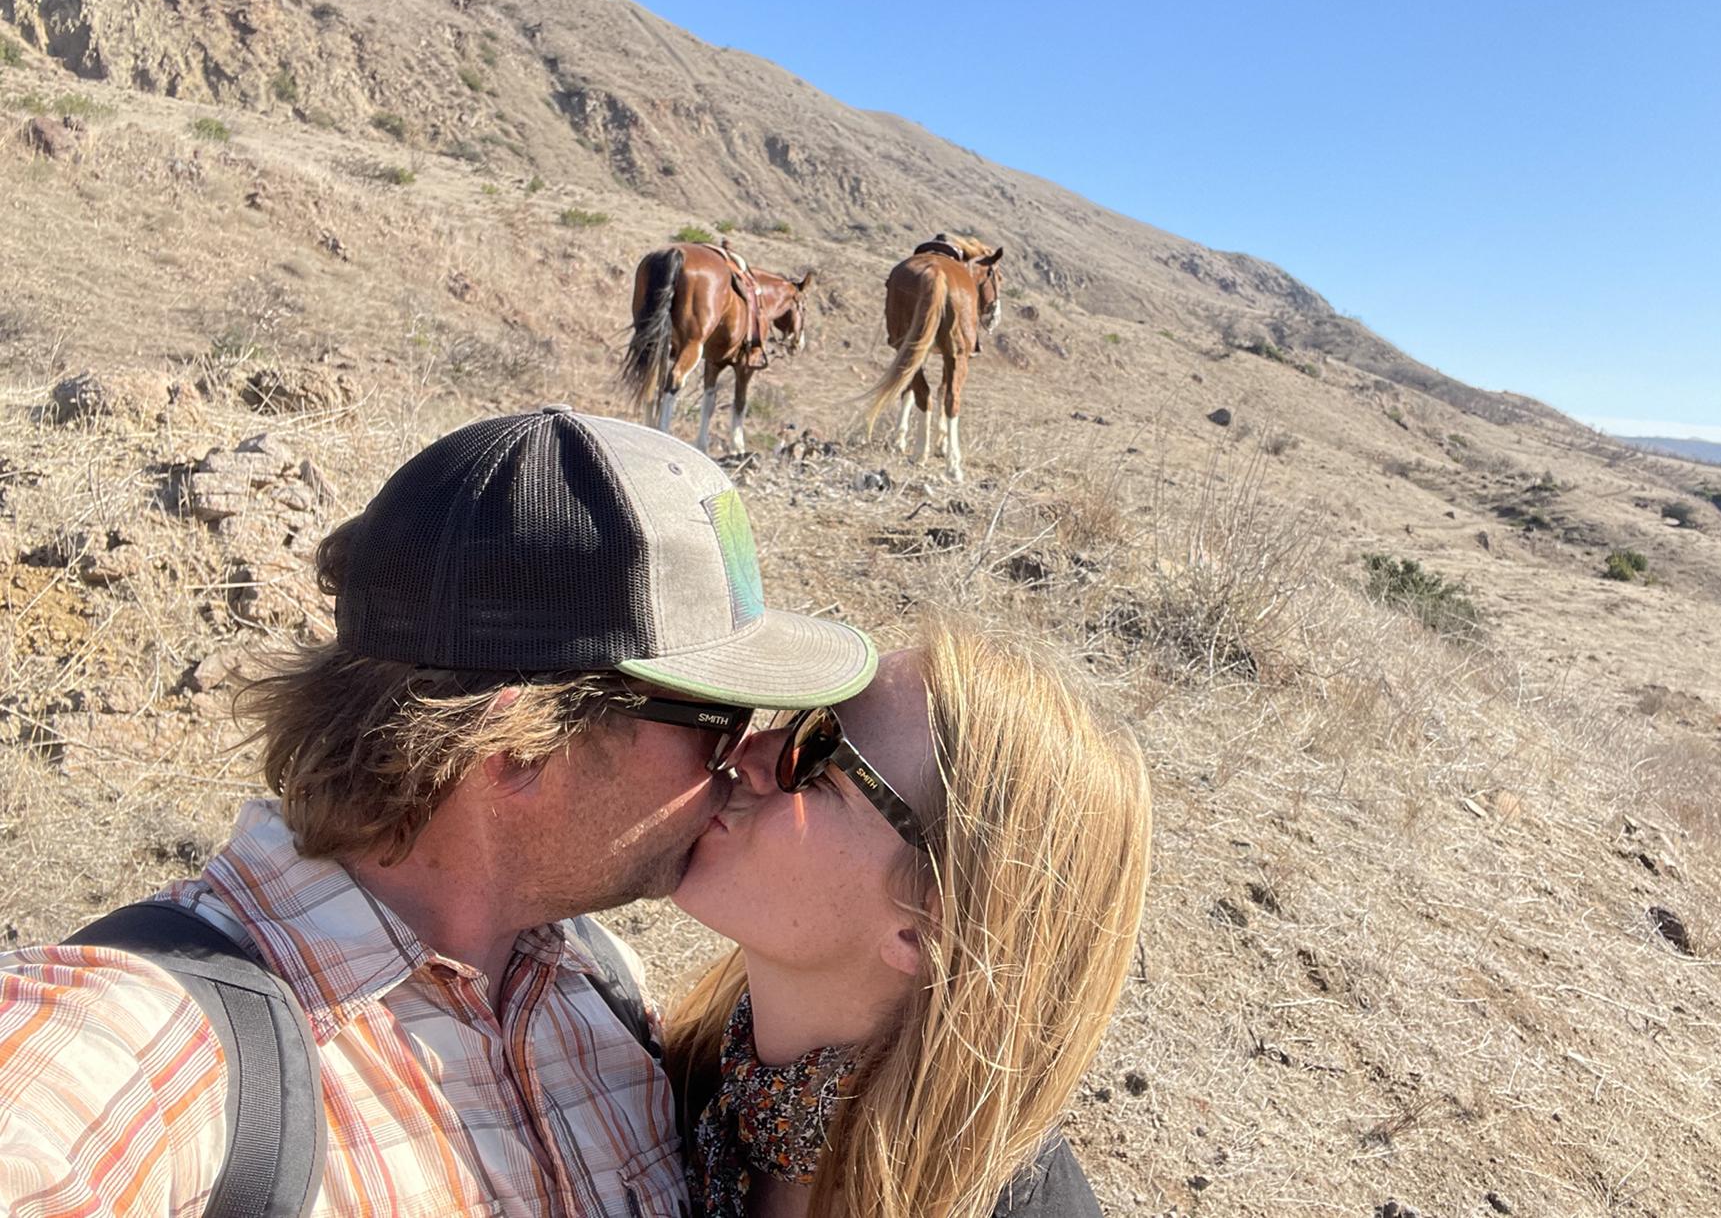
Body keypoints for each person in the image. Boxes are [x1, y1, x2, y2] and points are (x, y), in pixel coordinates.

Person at [0, 406, 876, 1217]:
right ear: (522, 746)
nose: (748, 762)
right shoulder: (149, 1044)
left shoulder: (600, 989)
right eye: (719, 723)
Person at [661, 623, 1153, 1218]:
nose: (749, 752)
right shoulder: (670, 1087)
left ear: (927, 925)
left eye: (818, 756)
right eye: (796, 718)